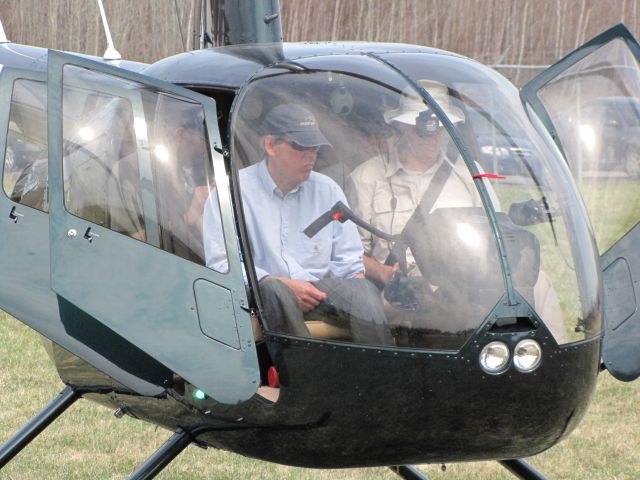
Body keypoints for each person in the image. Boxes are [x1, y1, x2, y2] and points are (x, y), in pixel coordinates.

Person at [346, 80, 566, 342]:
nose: (432, 136)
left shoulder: (468, 173)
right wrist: (384, 274)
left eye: (440, 127)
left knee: (539, 283)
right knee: (423, 299)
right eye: (423, 129)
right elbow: (348, 254)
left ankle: (550, 367)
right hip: (405, 287)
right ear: (403, 126)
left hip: (471, 276)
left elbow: (499, 230)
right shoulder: (367, 179)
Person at [203, 104, 392, 346]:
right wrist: (278, 283)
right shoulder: (231, 193)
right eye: (301, 147)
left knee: (364, 290)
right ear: (270, 145)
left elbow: (349, 260)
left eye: (314, 148)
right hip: (261, 293)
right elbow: (221, 263)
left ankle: (384, 379)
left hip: (320, 290)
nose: (310, 156)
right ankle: (305, 375)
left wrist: (352, 286)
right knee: (275, 290)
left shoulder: (327, 190)